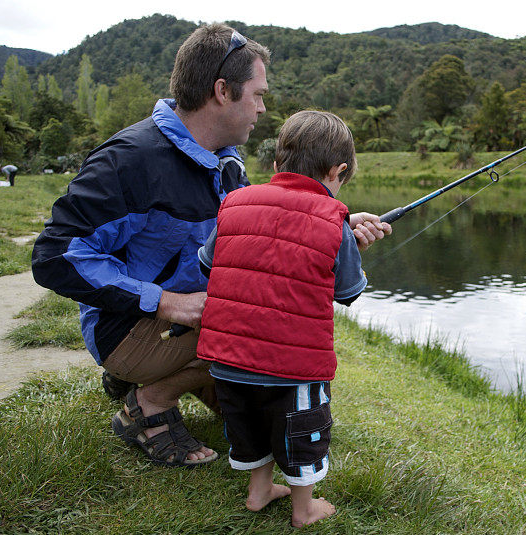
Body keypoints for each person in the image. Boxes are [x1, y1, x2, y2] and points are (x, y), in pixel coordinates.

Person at [31, 23, 390, 468]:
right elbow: (54, 256)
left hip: (195, 314)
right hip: (131, 326)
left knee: (255, 406)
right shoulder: (130, 161)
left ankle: (158, 377)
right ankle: (148, 402)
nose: (262, 108)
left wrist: (331, 228)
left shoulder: (227, 161)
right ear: (223, 90)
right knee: (270, 326)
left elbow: (255, 230)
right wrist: (164, 302)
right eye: (257, 95)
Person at [197, 110, 380, 527]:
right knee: (302, 433)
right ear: (339, 171)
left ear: (278, 165)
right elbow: (348, 290)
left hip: (227, 360)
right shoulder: (335, 220)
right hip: (294, 369)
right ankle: (304, 510)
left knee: (247, 426)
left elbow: (208, 263)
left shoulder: (235, 201)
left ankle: (258, 491)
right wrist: (351, 246)